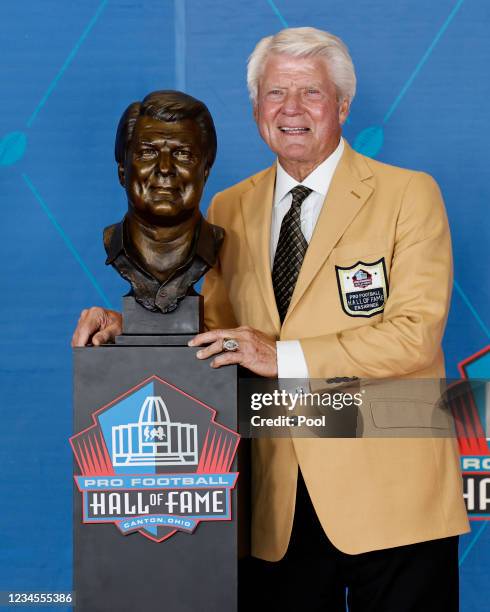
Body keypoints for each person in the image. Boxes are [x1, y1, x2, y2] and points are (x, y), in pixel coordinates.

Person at [72, 27, 469, 611]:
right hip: (275, 504)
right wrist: (132, 325)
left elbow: (414, 335)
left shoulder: (408, 195)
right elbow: (217, 335)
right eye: (276, 93)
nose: (292, 109)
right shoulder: (230, 205)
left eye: (310, 92)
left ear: (343, 105)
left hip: (394, 501)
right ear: (255, 108)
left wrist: (279, 356)